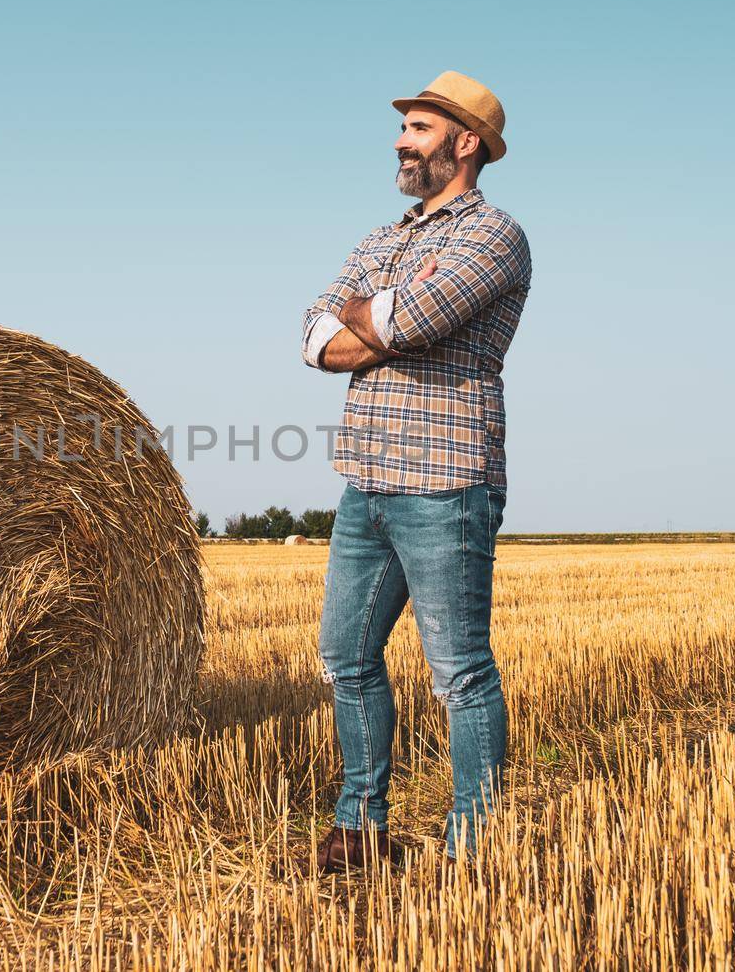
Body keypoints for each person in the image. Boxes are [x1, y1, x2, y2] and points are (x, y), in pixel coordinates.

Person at [299, 70, 531, 872]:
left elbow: (414, 317)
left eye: (420, 128)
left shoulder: (494, 236)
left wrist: (381, 313)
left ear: (465, 144)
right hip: (365, 479)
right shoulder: (383, 237)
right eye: (404, 129)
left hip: (446, 479)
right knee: (346, 657)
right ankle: (360, 830)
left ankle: (477, 847)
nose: (401, 140)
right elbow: (313, 336)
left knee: (459, 674)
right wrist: (385, 312)